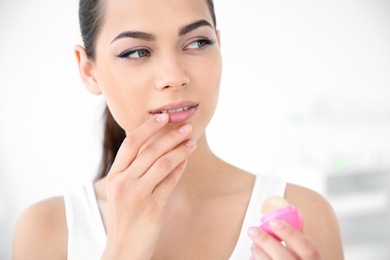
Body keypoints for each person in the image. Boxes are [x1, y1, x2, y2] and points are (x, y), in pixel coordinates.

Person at [12, 0, 344, 259]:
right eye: (137, 51)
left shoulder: (303, 215)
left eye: (198, 42)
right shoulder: (47, 231)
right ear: (89, 70)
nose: (174, 75)